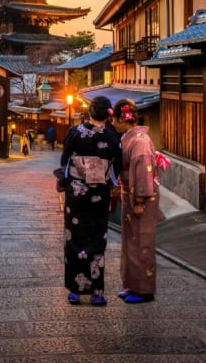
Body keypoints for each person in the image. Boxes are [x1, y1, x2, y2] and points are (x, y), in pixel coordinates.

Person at [59, 95, 121, 306]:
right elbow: (117, 164)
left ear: (90, 111)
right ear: (107, 114)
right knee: (96, 238)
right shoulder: (112, 137)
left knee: (74, 237)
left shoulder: (74, 132)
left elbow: (65, 159)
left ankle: (75, 291)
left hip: (77, 193)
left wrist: (70, 178)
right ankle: (96, 292)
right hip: (99, 193)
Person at [110, 98, 161, 304]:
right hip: (129, 193)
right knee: (130, 240)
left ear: (124, 118)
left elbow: (143, 173)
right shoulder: (129, 138)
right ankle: (131, 284)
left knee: (142, 241)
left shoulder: (139, 141)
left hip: (141, 197)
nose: (112, 123)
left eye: (115, 119)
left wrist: (139, 200)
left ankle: (144, 290)